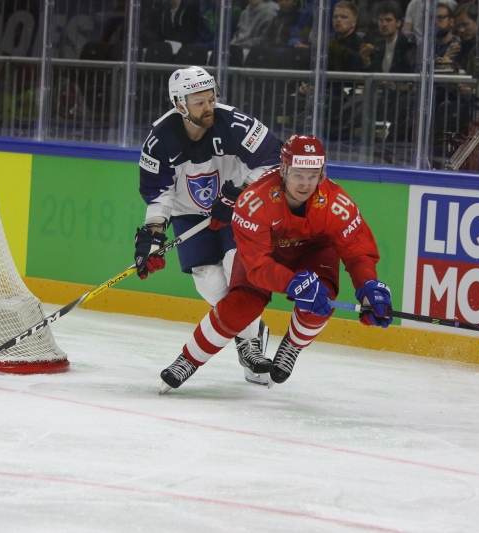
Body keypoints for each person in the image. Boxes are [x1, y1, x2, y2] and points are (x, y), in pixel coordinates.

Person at [159, 135, 392, 392]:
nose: (305, 184)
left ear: (322, 174)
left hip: (314, 251)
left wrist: (369, 284)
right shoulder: (253, 202)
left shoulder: (336, 203)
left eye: (312, 176)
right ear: (283, 170)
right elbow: (258, 265)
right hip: (267, 254)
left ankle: (292, 345)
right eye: (298, 175)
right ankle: (188, 359)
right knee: (241, 305)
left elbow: (357, 251)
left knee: (320, 300)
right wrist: (292, 282)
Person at [135, 66, 283, 385]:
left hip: (239, 209)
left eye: (210, 98)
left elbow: (275, 160)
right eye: (198, 101)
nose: (208, 106)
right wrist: (154, 235)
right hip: (190, 214)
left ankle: (247, 344)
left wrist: (241, 189)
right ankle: (252, 331)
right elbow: (159, 194)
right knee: (210, 284)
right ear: (179, 104)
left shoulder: (235, 123)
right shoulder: (159, 138)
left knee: (236, 269)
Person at [360, 1, 419, 73]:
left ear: (398, 23)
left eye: (388, 20)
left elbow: (411, 75)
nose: (384, 24)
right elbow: (374, 76)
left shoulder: (408, 44)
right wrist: (366, 61)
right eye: (381, 20)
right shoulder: (378, 45)